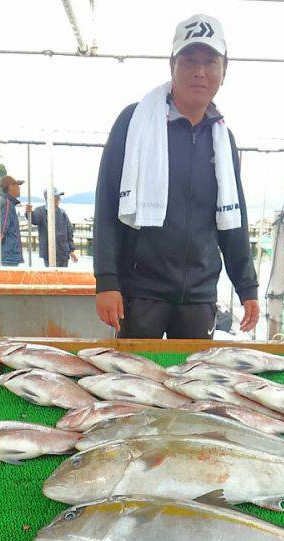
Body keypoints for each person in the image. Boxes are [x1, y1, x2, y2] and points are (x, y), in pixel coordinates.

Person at [93, 13, 259, 338]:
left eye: (210, 61)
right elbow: (107, 202)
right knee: (135, 372)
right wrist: (107, 280)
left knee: (197, 372)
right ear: (172, 65)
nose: (200, 71)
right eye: (189, 60)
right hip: (140, 293)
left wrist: (247, 287)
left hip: (199, 296)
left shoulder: (224, 139)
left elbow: (233, 222)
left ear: (224, 70)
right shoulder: (134, 122)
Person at [26, 189, 78, 268]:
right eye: (56, 197)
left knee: (63, 274)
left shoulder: (62, 213)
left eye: (59, 197)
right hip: (48, 252)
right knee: (51, 274)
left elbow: (69, 232)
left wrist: (72, 250)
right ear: (48, 198)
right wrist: (28, 212)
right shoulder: (40, 211)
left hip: (63, 252)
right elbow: (34, 220)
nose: (58, 199)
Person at [0, 175, 24, 267]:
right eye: (17, 185)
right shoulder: (6, 204)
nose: (19, 188)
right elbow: (1, 229)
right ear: (10, 186)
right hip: (8, 254)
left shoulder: (7, 203)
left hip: (8, 253)